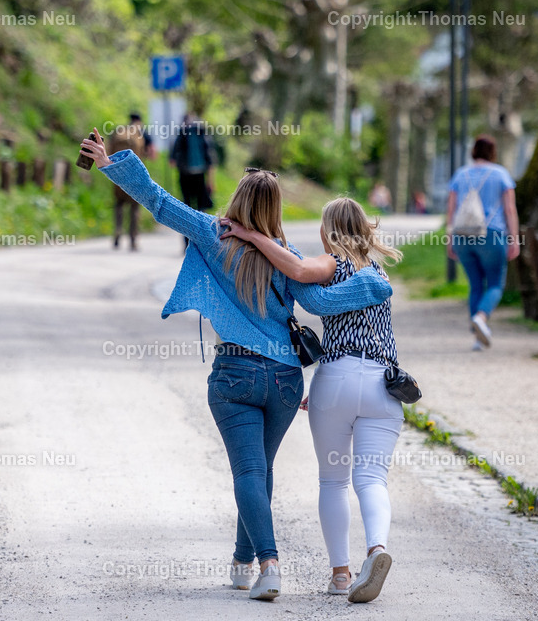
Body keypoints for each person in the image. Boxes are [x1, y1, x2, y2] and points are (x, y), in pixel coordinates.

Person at [80, 132, 392, 602]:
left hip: (235, 375)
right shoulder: (285, 257)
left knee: (248, 472)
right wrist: (372, 286)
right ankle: (242, 562)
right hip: (286, 381)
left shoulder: (213, 232)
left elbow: (161, 203)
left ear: (239, 201)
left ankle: (269, 565)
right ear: (276, 210)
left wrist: (110, 163)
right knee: (260, 470)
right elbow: (317, 299)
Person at [220, 199, 404, 603]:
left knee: (333, 480)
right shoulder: (376, 274)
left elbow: (299, 272)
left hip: (336, 380)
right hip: (382, 384)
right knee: (372, 479)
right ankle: (376, 549)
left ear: (328, 232)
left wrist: (251, 234)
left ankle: (341, 574)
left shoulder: (332, 264)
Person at [446, 135, 521, 349]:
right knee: (496, 283)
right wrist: (514, 239)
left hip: (462, 235)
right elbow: (509, 209)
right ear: (493, 152)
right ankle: (481, 317)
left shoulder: (460, 174)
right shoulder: (501, 174)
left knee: (476, 285)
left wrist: (450, 239)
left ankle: (477, 339)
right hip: (492, 234)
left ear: (473, 151)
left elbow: (451, 209)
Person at [107, 115, 149, 250]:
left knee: (119, 204)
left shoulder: (118, 133)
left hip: (117, 174)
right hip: (134, 176)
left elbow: (108, 153)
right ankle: (133, 238)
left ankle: (118, 231)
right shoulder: (139, 137)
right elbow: (143, 157)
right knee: (134, 207)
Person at [170, 114, 216, 213]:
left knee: (187, 200)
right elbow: (209, 155)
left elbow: (175, 150)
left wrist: (173, 158)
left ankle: (188, 222)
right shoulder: (201, 133)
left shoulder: (182, 132)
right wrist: (211, 179)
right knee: (200, 201)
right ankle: (202, 222)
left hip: (185, 171)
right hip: (200, 171)